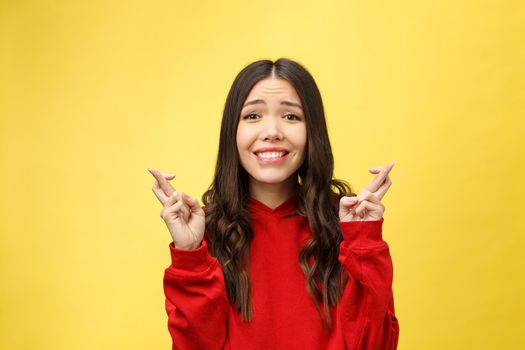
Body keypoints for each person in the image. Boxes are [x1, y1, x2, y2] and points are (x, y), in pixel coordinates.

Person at [148, 58, 399, 350]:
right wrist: (190, 255)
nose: (272, 131)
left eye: (291, 117)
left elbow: (375, 344)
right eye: (253, 116)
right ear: (233, 131)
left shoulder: (346, 228)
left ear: (311, 133)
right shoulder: (203, 233)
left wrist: (364, 243)